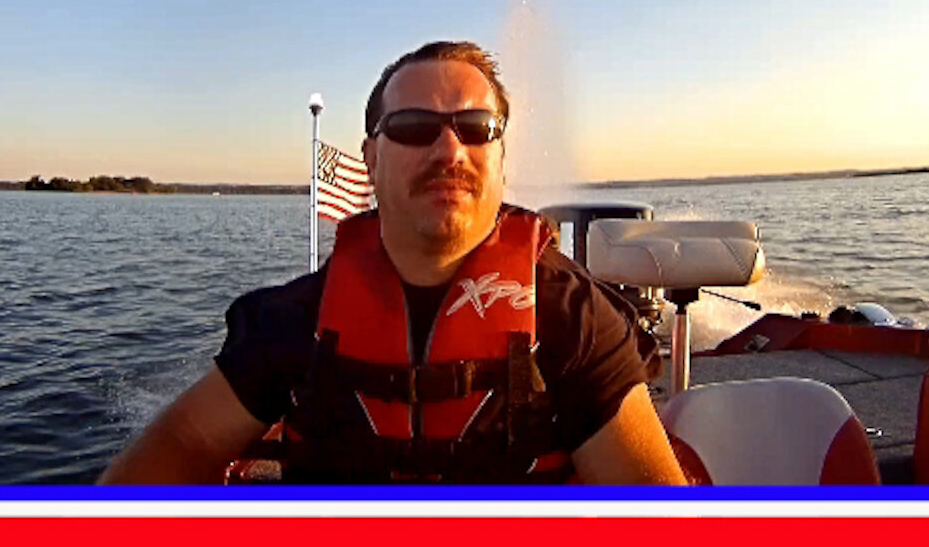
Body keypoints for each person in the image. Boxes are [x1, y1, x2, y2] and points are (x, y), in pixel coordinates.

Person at [98, 41, 687, 485]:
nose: (449, 149)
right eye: (413, 128)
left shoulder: (574, 318)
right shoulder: (293, 322)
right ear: (371, 159)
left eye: (476, 128)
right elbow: (184, 440)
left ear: (500, 156)